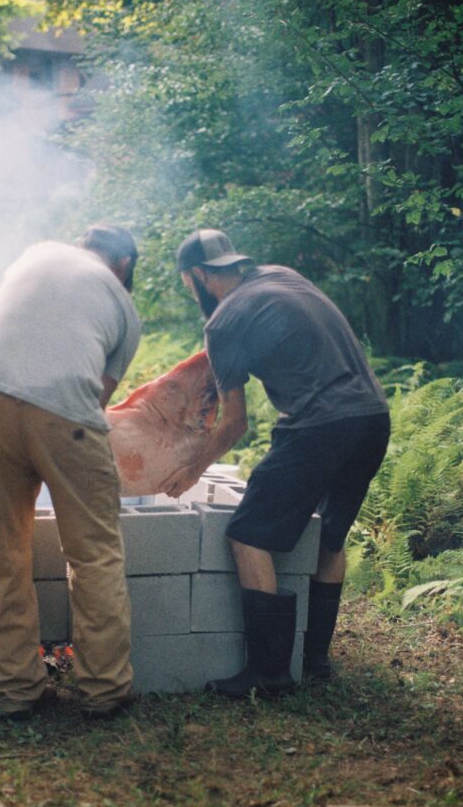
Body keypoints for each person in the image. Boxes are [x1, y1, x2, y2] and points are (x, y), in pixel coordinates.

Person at [165, 228, 390, 698]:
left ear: (200, 276)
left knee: (248, 533)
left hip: (319, 426)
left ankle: (268, 673)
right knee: (329, 533)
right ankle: (316, 659)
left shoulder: (224, 322)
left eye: (189, 283)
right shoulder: (284, 277)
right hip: (372, 417)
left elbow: (234, 424)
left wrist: (190, 470)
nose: (191, 292)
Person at [0, 224, 141, 721]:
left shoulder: (34, 255)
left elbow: (11, 341)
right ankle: (104, 691)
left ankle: (18, 692)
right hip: (64, 413)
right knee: (94, 553)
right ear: (124, 265)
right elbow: (94, 403)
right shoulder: (124, 309)